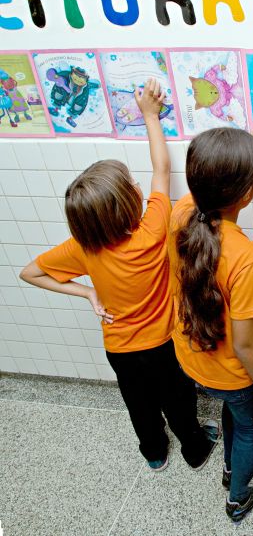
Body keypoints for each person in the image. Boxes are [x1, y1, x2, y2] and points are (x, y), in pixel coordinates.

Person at [19, 79, 218, 472]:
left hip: (120, 350)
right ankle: (194, 448)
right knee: (178, 399)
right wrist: (149, 115)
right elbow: (162, 168)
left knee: (138, 403)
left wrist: (86, 293)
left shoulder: (82, 247)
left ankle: (154, 453)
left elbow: (30, 273)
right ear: (133, 201)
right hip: (163, 343)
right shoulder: (152, 229)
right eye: (132, 185)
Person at [168, 123, 253, 523]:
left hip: (191, 361)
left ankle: (232, 467)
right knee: (250, 427)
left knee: (231, 412)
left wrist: (249, 152)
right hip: (233, 375)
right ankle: (236, 496)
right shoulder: (246, 256)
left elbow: (207, 182)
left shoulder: (180, 214)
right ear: (248, 193)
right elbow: (247, 345)